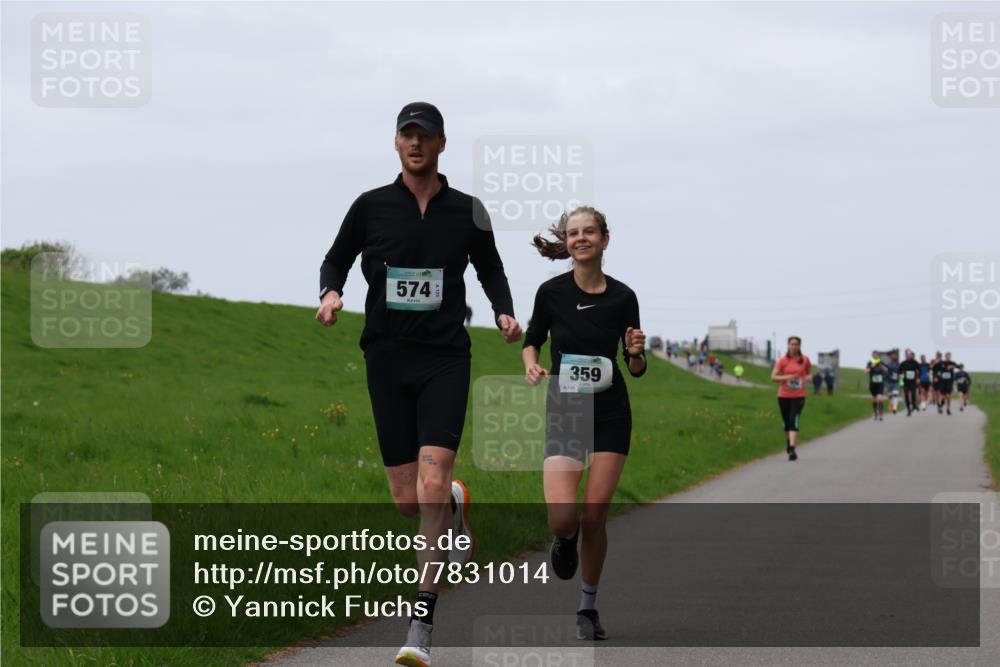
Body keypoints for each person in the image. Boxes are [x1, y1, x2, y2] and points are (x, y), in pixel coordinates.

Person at [315, 101, 522, 667]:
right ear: (396, 143)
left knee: (430, 481)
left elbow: (491, 267)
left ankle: (420, 627)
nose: (415, 143)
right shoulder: (370, 206)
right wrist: (330, 294)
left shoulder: (468, 211)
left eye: (424, 135)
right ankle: (455, 501)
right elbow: (335, 260)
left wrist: (504, 310)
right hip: (386, 358)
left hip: (445, 359)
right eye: (407, 134)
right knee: (409, 502)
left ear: (441, 144)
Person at [522, 206, 646, 641]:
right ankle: (563, 539)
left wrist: (635, 353)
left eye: (588, 231)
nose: (580, 238)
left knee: (594, 516)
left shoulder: (624, 297)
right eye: (573, 233)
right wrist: (532, 365)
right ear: (567, 242)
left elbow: (636, 368)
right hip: (566, 408)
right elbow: (532, 341)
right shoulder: (551, 292)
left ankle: (587, 606)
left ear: (604, 239)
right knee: (563, 518)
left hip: (611, 411)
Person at [770, 336, 812, 461]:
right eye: (791, 344)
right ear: (788, 345)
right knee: (786, 422)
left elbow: (808, 372)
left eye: (796, 344)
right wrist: (787, 377)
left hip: (799, 395)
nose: (794, 346)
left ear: (799, 346)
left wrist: (808, 377)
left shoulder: (805, 360)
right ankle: (789, 441)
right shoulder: (782, 360)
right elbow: (773, 377)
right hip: (783, 395)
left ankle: (792, 449)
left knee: (794, 419)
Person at [865, 352, 889, 421]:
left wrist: (882, 367)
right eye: (874, 355)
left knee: (880, 398)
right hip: (872, 384)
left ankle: (881, 414)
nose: (875, 356)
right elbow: (866, 371)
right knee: (874, 399)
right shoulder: (870, 363)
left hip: (880, 384)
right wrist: (871, 367)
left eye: (877, 355)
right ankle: (875, 412)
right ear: (872, 356)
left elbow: (887, 370)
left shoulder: (881, 362)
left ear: (878, 356)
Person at [899, 349, 921, 417]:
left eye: (909, 355)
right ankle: (908, 409)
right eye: (907, 355)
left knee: (913, 395)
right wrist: (901, 382)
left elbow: (919, 371)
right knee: (906, 395)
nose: (908, 356)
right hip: (906, 382)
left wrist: (918, 378)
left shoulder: (915, 363)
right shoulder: (903, 363)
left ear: (911, 355)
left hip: (913, 381)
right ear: (905, 356)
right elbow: (900, 373)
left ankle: (914, 405)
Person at [886, 351, 902, 415]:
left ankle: (895, 408)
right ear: (891, 357)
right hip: (889, 382)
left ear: (897, 357)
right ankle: (891, 404)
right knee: (890, 396)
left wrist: (901, 382)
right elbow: (886, 373)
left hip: (896, 382)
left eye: (895, 356)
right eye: (892, 356)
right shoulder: (888, 365)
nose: (894, 357)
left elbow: (901, 373)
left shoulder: (899, 365)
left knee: (895, 394)